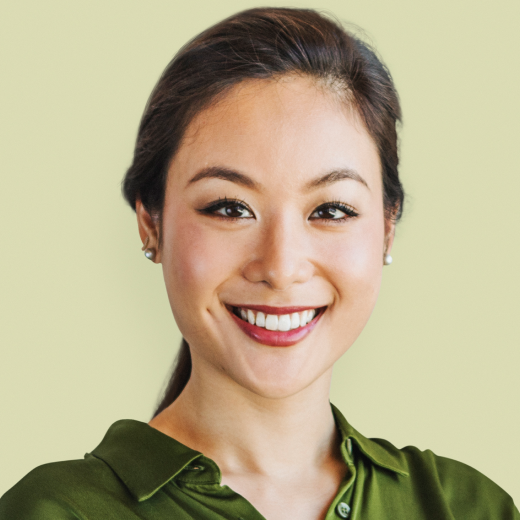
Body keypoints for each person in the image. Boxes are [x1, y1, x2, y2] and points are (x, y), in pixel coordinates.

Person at [0, 7, 518, 520]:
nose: (280, 266)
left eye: (331, 210)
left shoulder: (465, 507)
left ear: (387, 226)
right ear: (150, 224)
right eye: (229, 208)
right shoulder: (55, 511)